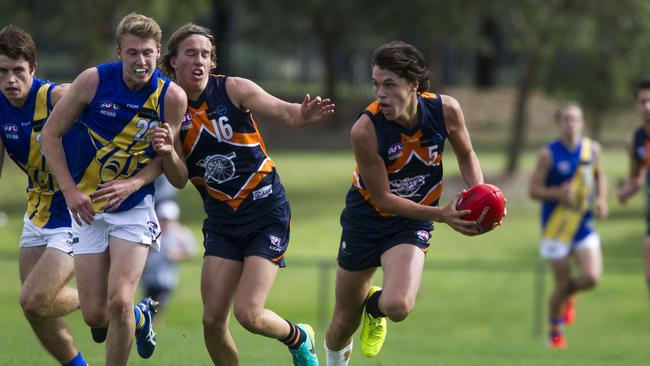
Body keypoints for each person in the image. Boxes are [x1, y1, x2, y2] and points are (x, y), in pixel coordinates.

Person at [157, 23, 334, 366]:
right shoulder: (170, 107)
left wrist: (304, 114)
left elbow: (286, 112)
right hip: (222, 220)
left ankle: (298, 337)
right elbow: (178, 179)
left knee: (249, 314)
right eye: (191, 53)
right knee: (211, 322)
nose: (199, 60)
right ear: (173, 61)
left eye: (205, 55)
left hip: (265, 209)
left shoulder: (233, 89)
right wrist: (167, 152)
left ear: (213, 63)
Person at [324, 41, 486, 365]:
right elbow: (383, 198)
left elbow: (466, 153)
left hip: (412, 220)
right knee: (344, 321)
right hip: (366, 219)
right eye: (375, 85)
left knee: (398, 306)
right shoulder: (365, 129)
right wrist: (442, 214)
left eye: (389, 85)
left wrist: (484, 196)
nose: (380, 94)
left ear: (413, 85)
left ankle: (376, 307)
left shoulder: (445, 110)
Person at [41, 13, 188, 365]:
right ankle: (140, 317)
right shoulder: (93, 81)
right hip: (88, 207)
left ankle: (129, 315)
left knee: (119, 299)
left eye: (148, 53)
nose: (141, 61)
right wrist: (71, 192)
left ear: (157, 54)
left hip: (135, 209)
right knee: (95, 315)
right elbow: (50, 135)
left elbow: (179, 177)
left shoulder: (171, 97)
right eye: (133, 53)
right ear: (119, 51)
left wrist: (147, 171)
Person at [0, 24, 88, 366]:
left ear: (33, 70)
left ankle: (107, 299)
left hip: (77, 212)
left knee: (34, 300)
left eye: (18, 71)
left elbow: (103, 119)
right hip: (38, 211)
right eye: (3, 72)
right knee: (36, 312)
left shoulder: (56, 97)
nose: (10, 80)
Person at [529, 103, 607, 348]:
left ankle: (568, 298)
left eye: (576, 119)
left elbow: (599, 176)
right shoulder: (548, 154)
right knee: (561, 284)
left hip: (583, 224)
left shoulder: (592, 149)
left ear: (582, 122)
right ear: (559, 123)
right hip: (556, 227)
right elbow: (534, 190)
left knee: (592, 277)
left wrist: (602, 200)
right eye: (566, 119)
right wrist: (557, 193)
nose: (571, 124)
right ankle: (554, 331)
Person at [140, 199, 198, 322]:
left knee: (159, 304)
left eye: (169, 219)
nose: (166, 222)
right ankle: (147, 326)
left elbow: (192, 252)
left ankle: (153, 327)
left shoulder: (181, 234)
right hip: (149, 275)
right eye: (163, 219)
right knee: (146, 303)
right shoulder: (152, 231)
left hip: (167, 277)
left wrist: (178, 255)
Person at [618, 77, 650, 298]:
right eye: (643, 101)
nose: (647, 106)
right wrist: (625, 191)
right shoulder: (636, 139)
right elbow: (636, 177)